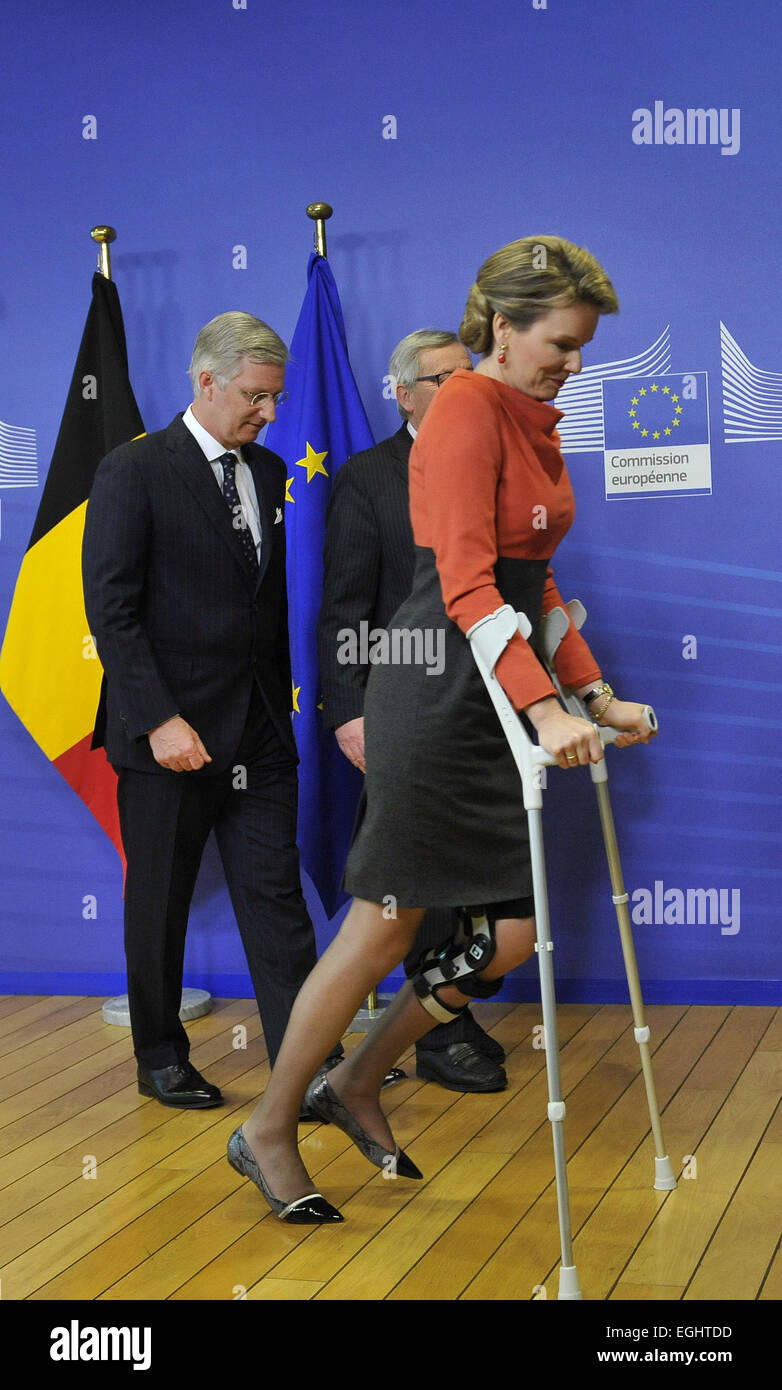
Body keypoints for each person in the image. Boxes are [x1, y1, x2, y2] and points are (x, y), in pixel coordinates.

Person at [226, 237, 657, 1224]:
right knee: (383, 923)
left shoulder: (530, 416)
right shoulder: (465, 407)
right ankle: (270, 1124)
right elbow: (466, 585)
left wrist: (589, 694)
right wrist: (545, 707)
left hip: (497, 690)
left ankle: (361, 1077)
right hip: (437, 693)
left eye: (584, 346)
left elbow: (533, 580)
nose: (574, 364)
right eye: (560, 342)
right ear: (498, 329)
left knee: (512, 932)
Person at [82, 311, 336, 1118]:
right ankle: (160, 1059)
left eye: (276, 398)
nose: (269, 414)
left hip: (258, 727)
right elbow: (112, 609)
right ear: (206, 381)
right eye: (256, 398)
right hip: (169, 733)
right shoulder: (134, 470)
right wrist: (157, 718)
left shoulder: (265, 471)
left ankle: (309, 1063)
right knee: (158, 902)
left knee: (276, 897)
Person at [317, 328, 507, 1094]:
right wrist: (351, 711)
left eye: (470, 373)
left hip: (488, 691)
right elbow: (344, 609)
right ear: (402, 393)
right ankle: (438, 1038)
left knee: (479, 873)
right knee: (421, 872)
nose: (464, 388)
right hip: (410, 699)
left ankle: (451, 1015)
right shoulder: (367, 478)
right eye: (443, 378)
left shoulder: (494, 456)